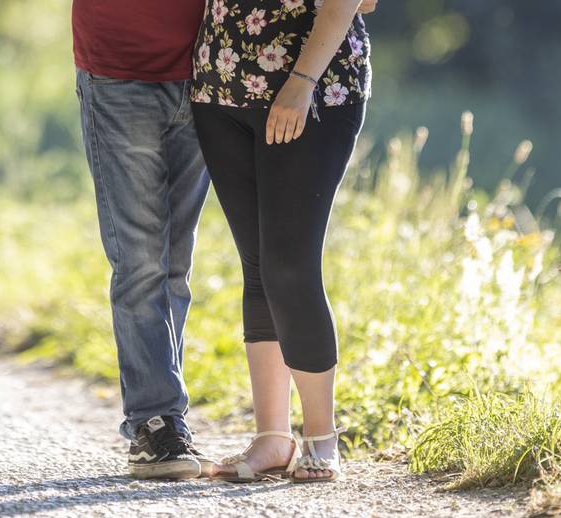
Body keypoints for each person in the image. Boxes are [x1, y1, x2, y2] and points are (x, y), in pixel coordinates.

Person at [190, 0, 376, 483]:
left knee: (290, 266)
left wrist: (301, 83)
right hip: (219, 83)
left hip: (315, 90)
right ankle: (272, 437)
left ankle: (321, 436)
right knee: (258, 268)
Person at [71, 0, 216, 480]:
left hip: (206, 69)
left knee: (175, 262)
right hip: (119, 74)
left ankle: (166, 422)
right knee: (140, 263)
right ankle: (154, 422)